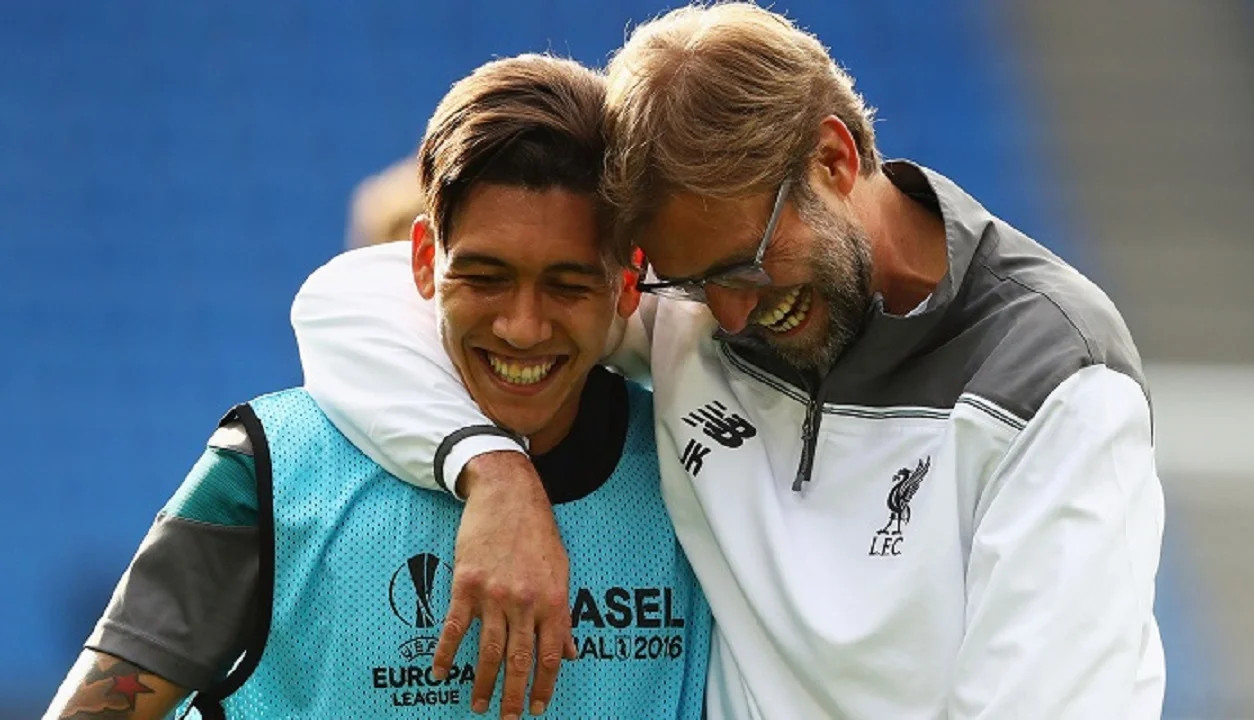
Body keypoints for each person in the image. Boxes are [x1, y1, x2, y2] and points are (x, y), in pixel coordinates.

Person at [292, 4, 1166, 719]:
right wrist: (492, 471)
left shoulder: (1057, 380)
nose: (732, 315)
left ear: (834, 158)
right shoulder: (698, 304)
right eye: (694, 281)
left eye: (745, 266)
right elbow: (350, 301)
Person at [42, 54, 711, 720]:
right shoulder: (272, 467)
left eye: (567, 286)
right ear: (423, 260)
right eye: (484, 278)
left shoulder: (697, 476)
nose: (522, 327)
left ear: (629, 283)